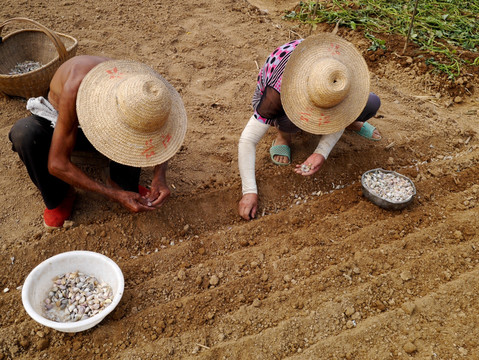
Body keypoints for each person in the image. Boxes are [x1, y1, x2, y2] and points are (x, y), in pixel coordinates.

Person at [9, 56, 187, 228]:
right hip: (63, 119)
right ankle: (60, 196)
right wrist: (113, 195)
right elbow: (57, 163)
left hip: (107, 119)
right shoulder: (76, 86)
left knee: (136, 138)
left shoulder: (148, 89)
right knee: (24, 134)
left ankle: (119, 181)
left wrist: (160, 176)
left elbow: (163, 133)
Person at [238, 33, 382, 220]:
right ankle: (283, 137)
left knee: (371, 103)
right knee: (288, 119)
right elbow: (247, 140)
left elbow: (337, 100)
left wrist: (321, 152)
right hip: (280, 95)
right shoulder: (277, 92)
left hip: (322, 82)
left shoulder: (340, 71)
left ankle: (348, 121)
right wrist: (249, 191)